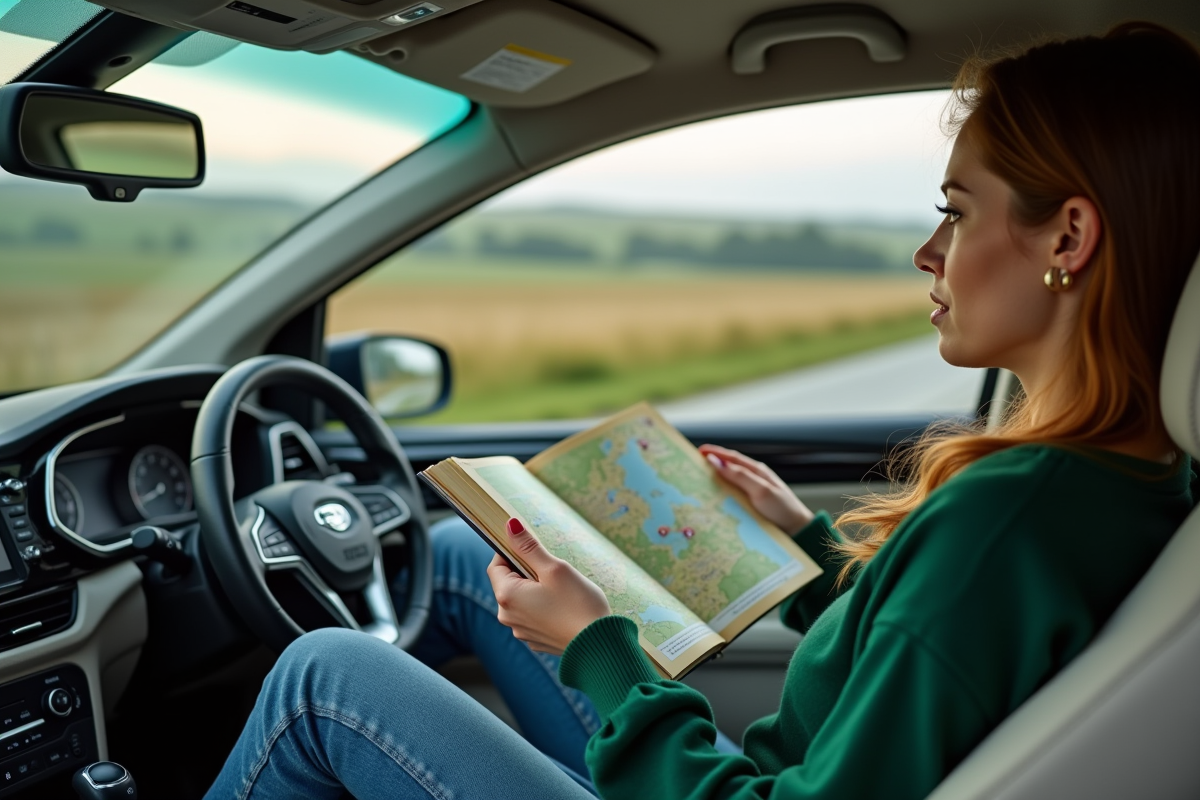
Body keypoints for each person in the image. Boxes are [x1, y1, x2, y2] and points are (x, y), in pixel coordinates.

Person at [205, 22, 1200, 800]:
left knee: (322, 679)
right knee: (470, 555)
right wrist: (806, 544)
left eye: (957, 209)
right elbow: (936, 654)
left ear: (1067, 237)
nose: (927, 252)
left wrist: (599, 650)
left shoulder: (1009, 517)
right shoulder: (1123, 484)